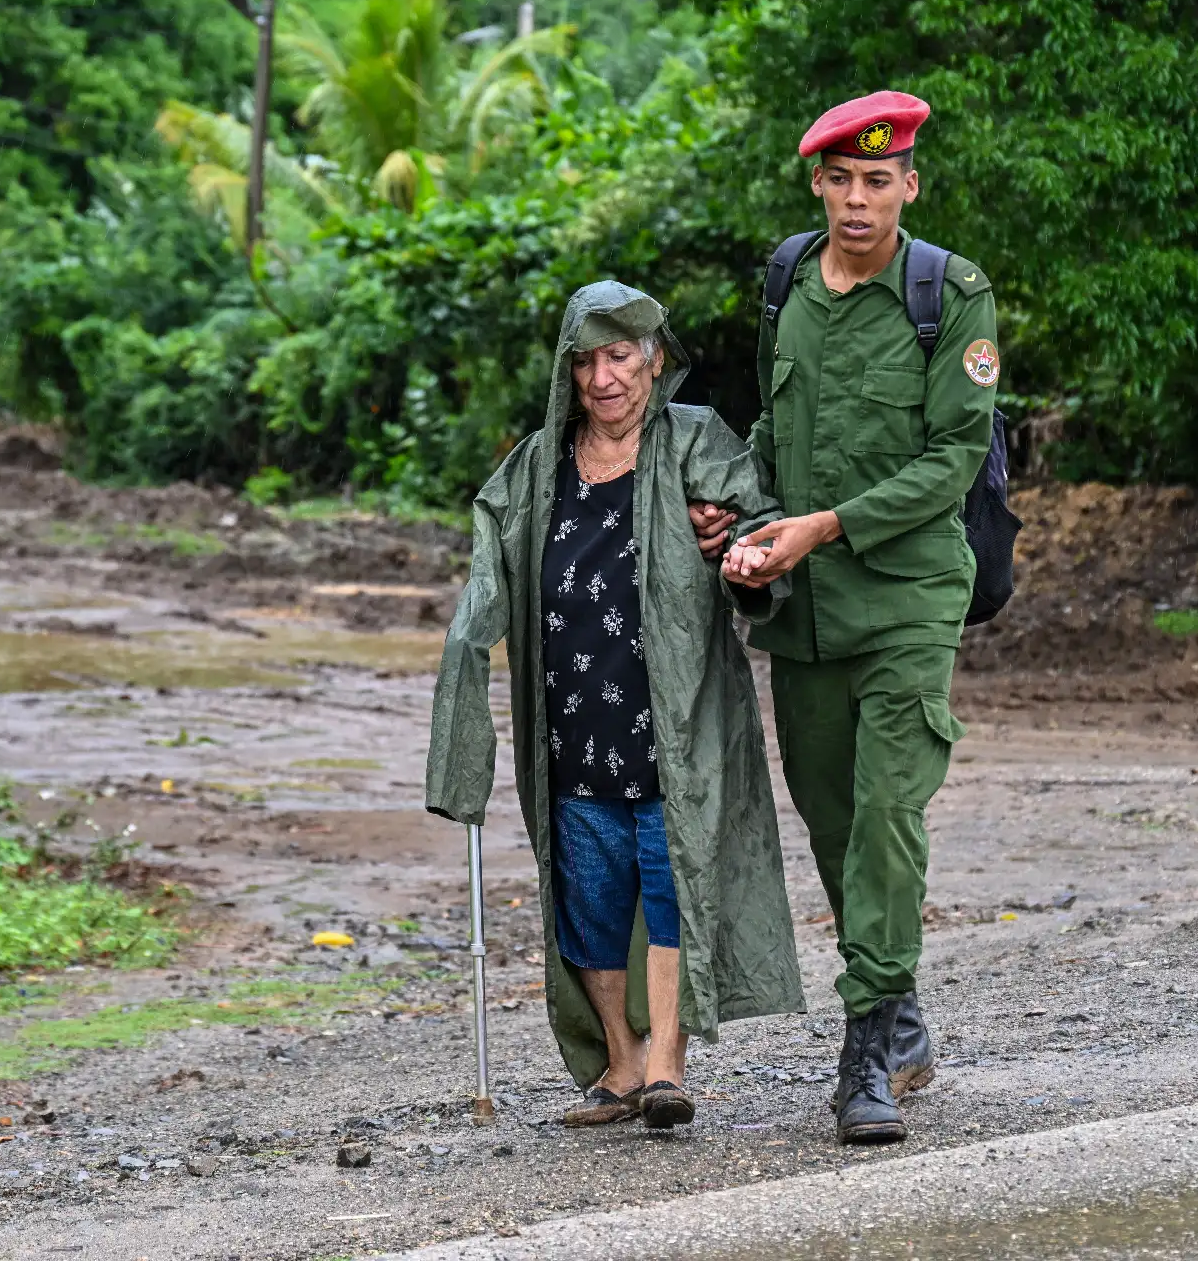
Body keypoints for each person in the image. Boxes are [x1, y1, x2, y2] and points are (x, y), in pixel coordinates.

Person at [694, 90, 1000, 1144]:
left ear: (910, 185)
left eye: (879, 180)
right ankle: (901, 1012)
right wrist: (736, 511)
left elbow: (954, 459)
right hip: (809, 609)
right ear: (818, 186)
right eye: (841, 181)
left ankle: (866, 1046)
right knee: (831, 818)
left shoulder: (949, 294)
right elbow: (774, 432)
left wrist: (825, 525)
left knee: (885, 814)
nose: (858, 200)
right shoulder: (787, 280)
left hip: (909, 595)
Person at [426, 280, 804, 1131]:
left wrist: (739, 547)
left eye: (621, 356)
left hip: (674, 719)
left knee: (673, 884)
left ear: (655, 360)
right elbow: (486, 576)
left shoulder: (694, 441)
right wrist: (464, 659)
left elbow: (763, 527)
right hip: (571, 726)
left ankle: (667, 1063)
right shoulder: (535, 467)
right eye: (587, 361)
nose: (604, 379)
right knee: (588, 901)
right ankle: (621, 1062)